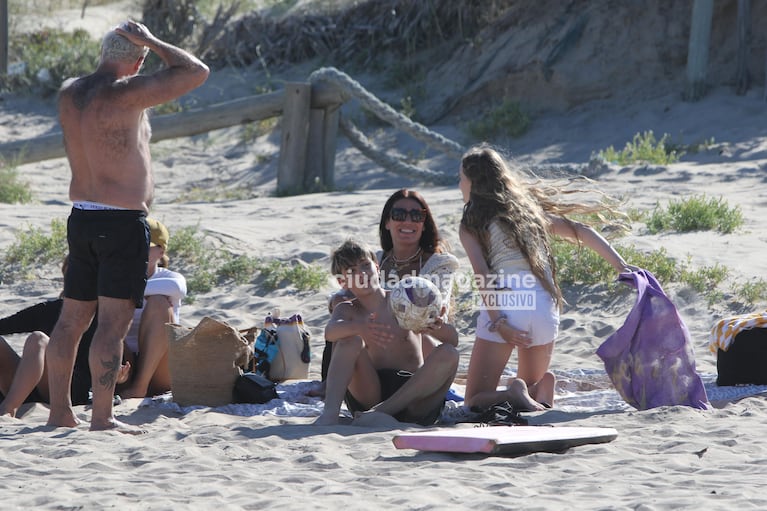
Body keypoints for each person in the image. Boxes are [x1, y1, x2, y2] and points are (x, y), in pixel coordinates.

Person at [47, 20, 209, 432]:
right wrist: (153, 41)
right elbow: (196, 72)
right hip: (120, 222)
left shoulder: (71, 92)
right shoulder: (125, 93)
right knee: (112, 325)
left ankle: (60, 412)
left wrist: (137, 48)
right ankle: (102, 417)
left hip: (81, 217)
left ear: (103, 54)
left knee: (69, 322)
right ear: (137, 61)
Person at [459, 144, 634, 412]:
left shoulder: (471, 221)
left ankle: (517, 390)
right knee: (527, 396)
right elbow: (581, 230)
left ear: (471, 182)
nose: (460, 185)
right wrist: (621, 266)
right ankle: (540, 388)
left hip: (509, 304)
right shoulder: (528, 212)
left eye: (461, 179)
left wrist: (498, 323)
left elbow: (482, 274)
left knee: (475, 400)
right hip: (544, 305)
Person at [312, 189, 459, 396]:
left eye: (417, 216)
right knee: (346, 318)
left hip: (421, 333)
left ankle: (401, 395)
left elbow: (437, 306)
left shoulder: (439, 263)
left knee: (407, 321)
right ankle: (333, 384)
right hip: (373, 341)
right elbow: (348, 287)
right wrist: (340, 300)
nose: (408, 221)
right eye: (399, 215)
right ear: (387, 222)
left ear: (424, 224)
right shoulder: (375, 259)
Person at [313, 239, 459, 426]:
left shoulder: (403, 300)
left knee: (449, 353)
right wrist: (360, 327)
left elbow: (453, 340)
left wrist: (436, 327)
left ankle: (383, 412)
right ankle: (330, 414)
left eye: (365, 266)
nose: (361, 274)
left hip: (414, 396)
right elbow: (330, 332)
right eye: (351, 271)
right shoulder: (347, 310)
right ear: (343, 282)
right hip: (370, 393)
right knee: (348, 341)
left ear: (377, 267)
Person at [0, 258, 130, 417]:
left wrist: (119, 377)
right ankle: (11, 402)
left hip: (72, 390)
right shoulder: (51, 309)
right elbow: (6, 325)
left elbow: (122, 369)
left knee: (38, 340)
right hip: (30, 385)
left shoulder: (105, 318)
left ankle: (7, 409)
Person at [116, 218, 186, 399]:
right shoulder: (116, 275)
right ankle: (124, 382)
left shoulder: (170, 277)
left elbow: (178, 289)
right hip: (125, 360)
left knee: (158, 303)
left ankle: (140, 387)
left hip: (159, 367)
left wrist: (128, 291)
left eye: (144, 244)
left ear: (161, 251)